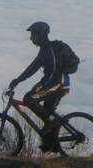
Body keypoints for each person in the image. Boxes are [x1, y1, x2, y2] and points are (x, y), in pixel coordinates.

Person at [8, 21, 72, 152]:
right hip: (58, 85)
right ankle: (52, 144)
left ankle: (52, 124)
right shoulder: (44, 50)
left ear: (41, 35)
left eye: (33, 34)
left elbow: (53, 71)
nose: (31, 38)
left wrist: (42, 85)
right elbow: (32, 68)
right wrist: (17, 80)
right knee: (47, 113)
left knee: (28, 99)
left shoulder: (48, 50)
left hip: (57, 84)